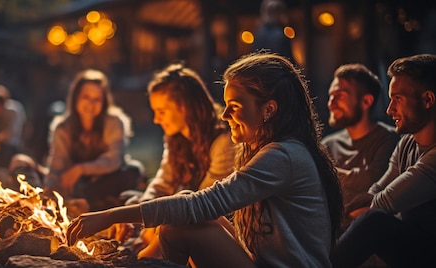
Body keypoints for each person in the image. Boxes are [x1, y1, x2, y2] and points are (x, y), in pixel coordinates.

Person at [67, 52, 343, 267]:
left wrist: (110, 216)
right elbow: (175, 189)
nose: (225, 116)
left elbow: (206, 203)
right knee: (180, 209)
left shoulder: (283, 156)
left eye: (234, 108)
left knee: (180, 226)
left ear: (269, 109)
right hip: (260, 260)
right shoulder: (262, 149)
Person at [330, 54, 436, 267]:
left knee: (375, 222)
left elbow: (383, 202)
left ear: (427, 100)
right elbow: (374, 191)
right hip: (413, 246)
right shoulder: (407, 143)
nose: (389, 110)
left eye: (398, 99)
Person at [121, 63, 236, 258]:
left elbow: (202, 203)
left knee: (164, 225)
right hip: (183, 208)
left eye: (162, 111)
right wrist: (139, 212)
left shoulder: (222, 140)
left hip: (213, 224)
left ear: (184, 107)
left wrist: (151, 220)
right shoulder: (176, 138)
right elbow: (162, 183)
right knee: (131, 199)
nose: (156, 120)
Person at [44, 69, 143, 212]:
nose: (91, 104)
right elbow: (57, 164)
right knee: (72, 185)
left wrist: (81, 169)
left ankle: (86, 204)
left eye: (97, 99)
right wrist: (49, 189)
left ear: (104, 102)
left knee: (133, 170)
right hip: (79, 184)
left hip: (108, 179)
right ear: (76, 98)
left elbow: (114, 160)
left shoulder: (114, 122)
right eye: (86, 97)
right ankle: (96, 204)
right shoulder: (63, 128)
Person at [322, 63, 399, 230]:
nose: (331, 103)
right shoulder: (328, 144)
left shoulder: (390, 140)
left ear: (366, 101)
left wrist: (326, 170)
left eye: (340, 96)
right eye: (331, 96)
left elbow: (373, 179)